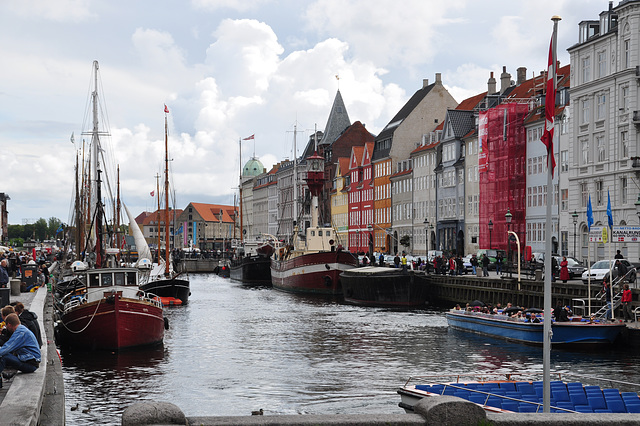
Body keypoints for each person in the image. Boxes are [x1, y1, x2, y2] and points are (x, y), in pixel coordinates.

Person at [0, 313, 41, 384]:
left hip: (31, 365)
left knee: (4, 356)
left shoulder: (20, 333)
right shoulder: (22, 329)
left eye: (6, 326)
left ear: (9, 324)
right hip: (28, 361)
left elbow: (7, 347)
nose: (6, 328)